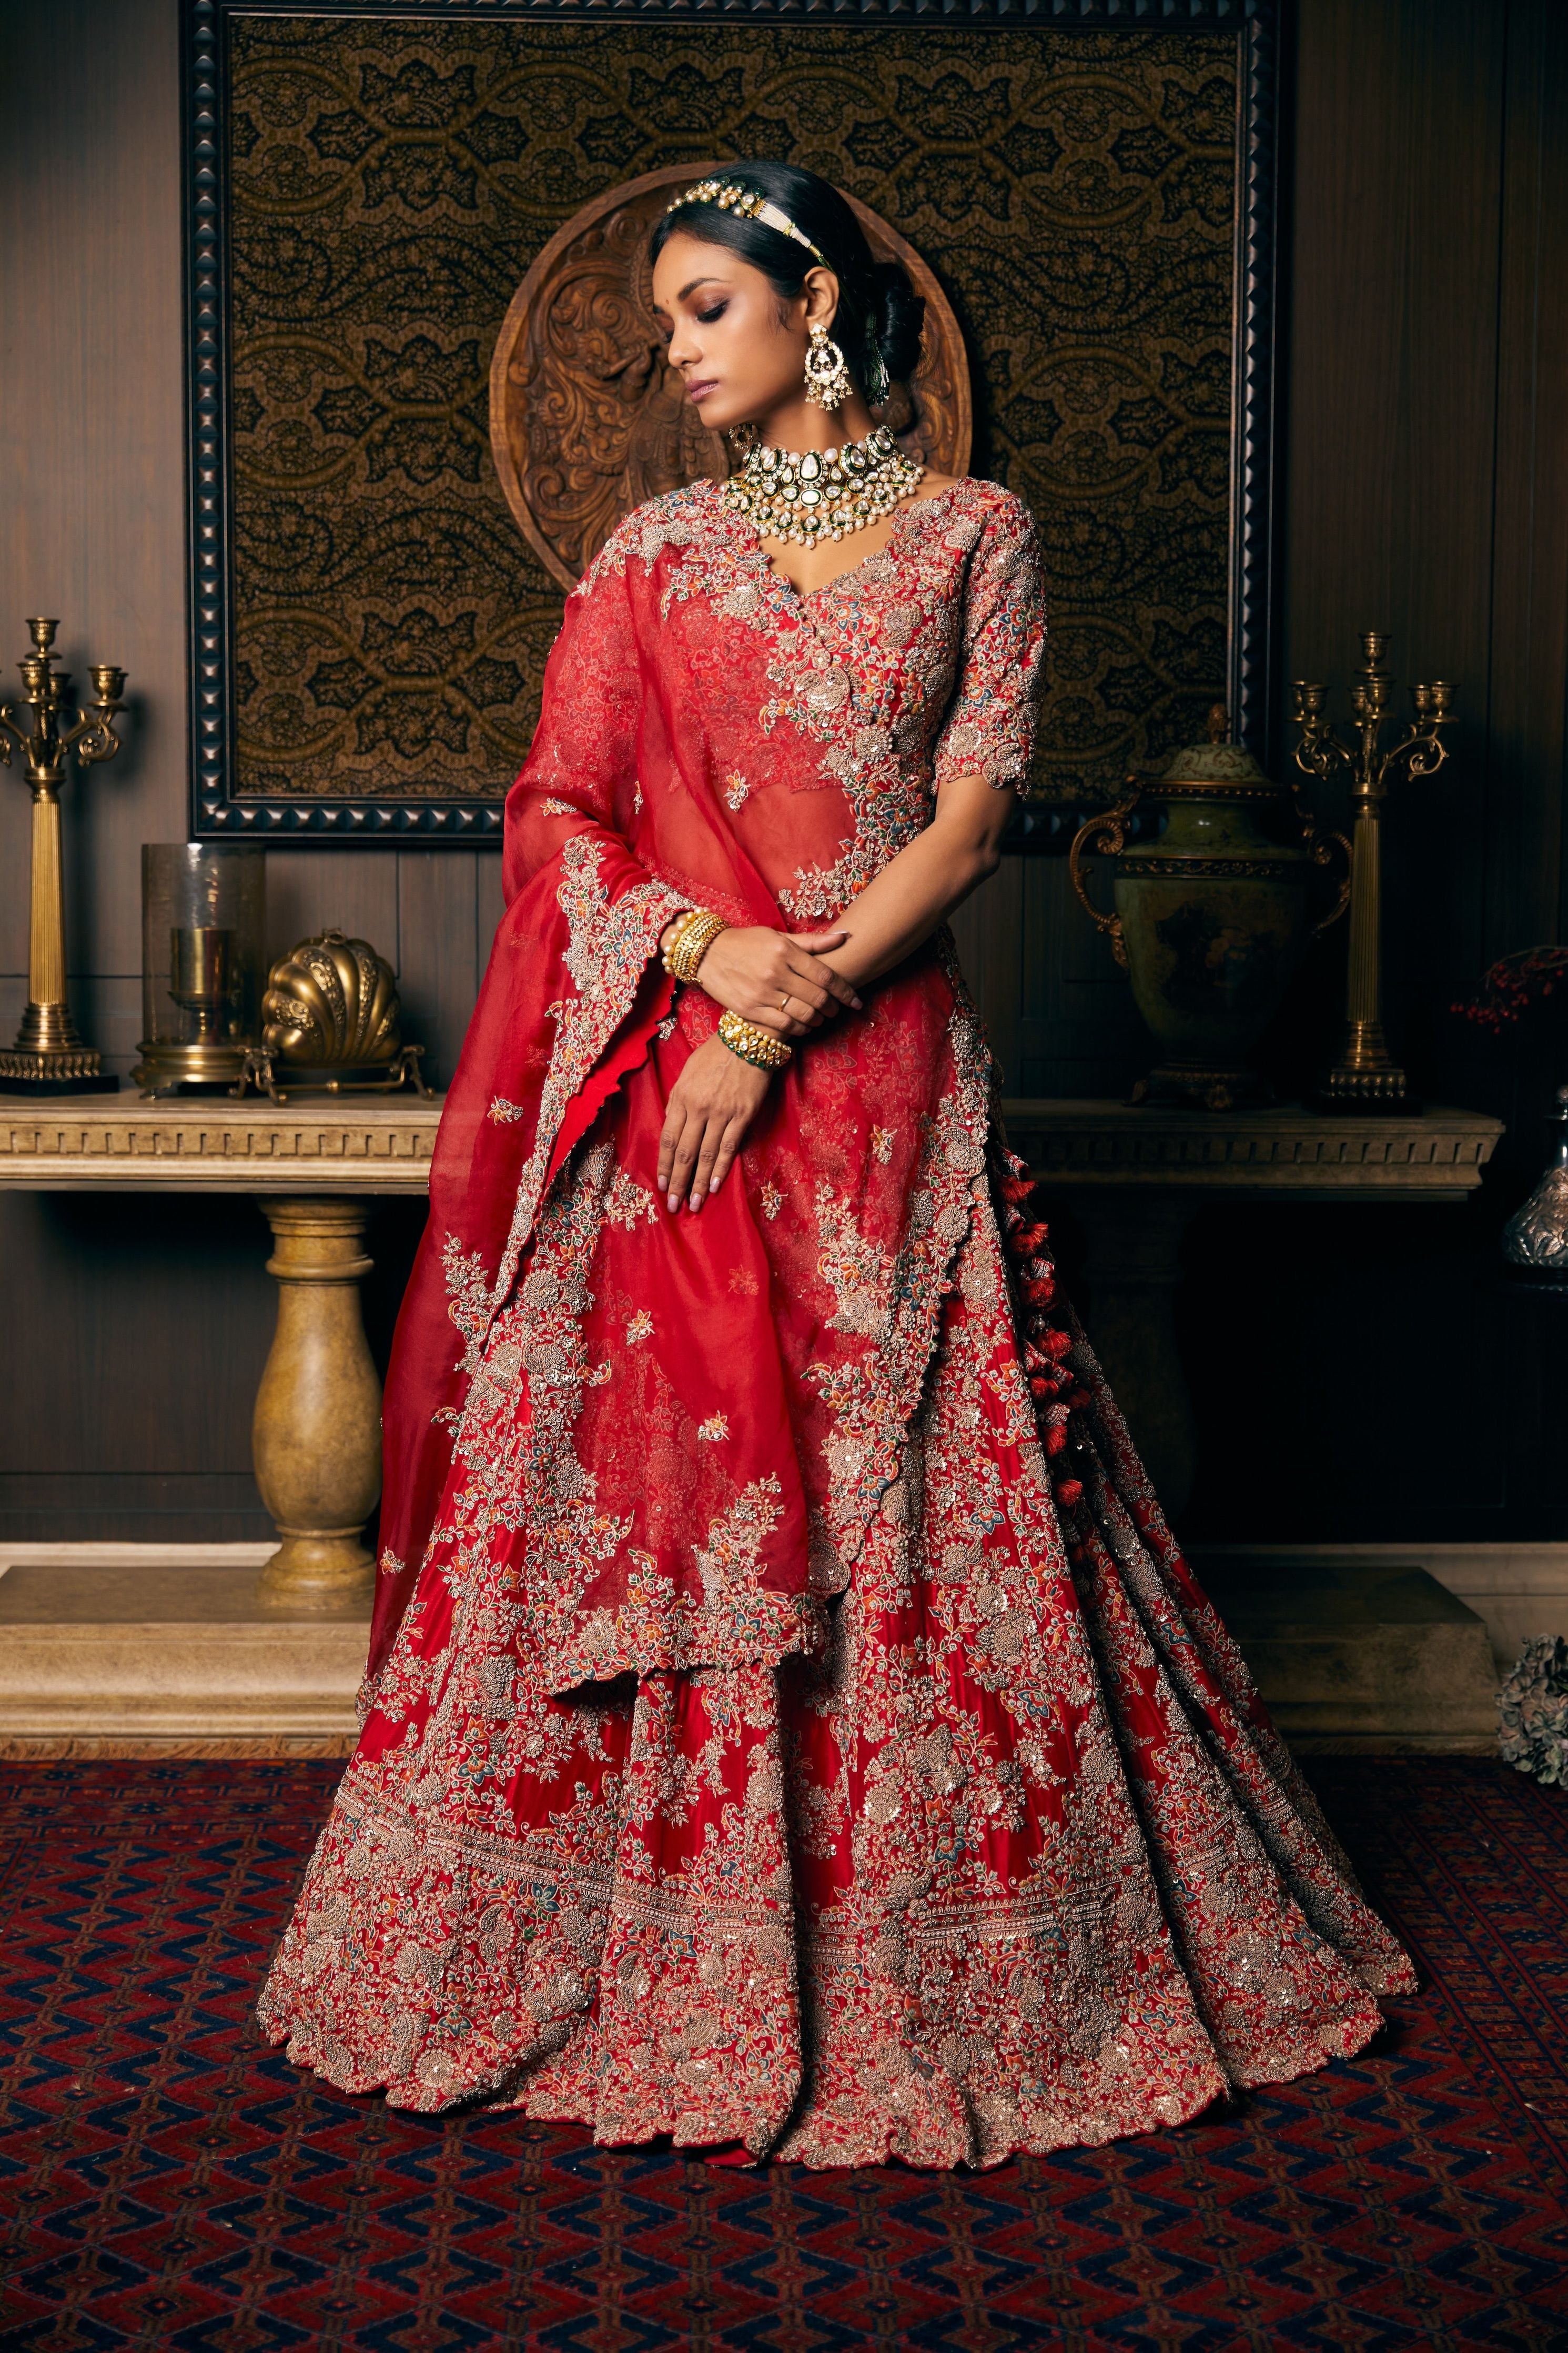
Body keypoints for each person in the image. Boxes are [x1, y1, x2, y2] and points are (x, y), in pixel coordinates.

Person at [259, 163, 1414, 2168]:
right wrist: (703, 968)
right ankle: (625, 1949)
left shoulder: (979, 533)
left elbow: (970, 832)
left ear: (817, 309)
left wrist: (774, 1017)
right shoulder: (647, 562)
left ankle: (939, 1966)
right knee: (660, 1488)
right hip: (678, 1099)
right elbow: (559, 814)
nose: (678, 352)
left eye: (709, 308)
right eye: (667, 319)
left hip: (877, 1088)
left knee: (913, 1498)